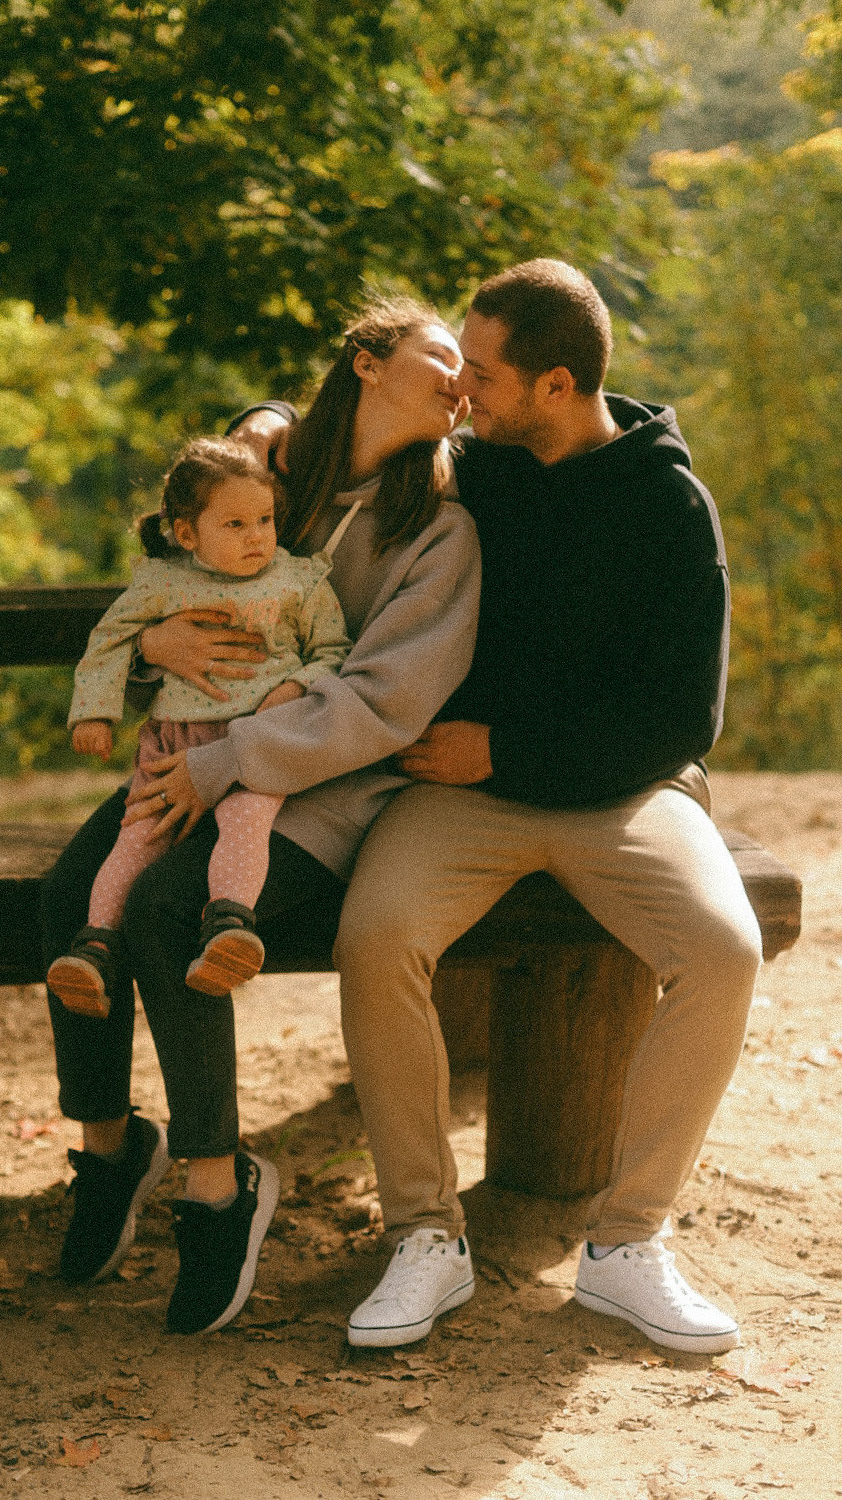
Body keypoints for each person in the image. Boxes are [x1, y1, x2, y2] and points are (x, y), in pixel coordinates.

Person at [236, 260, 761, 1355]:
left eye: (480, 371)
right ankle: (425, 1236)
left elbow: (682, 715)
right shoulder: (466, 471)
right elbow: (342, 419)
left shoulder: (667, 504)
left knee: (723, 951)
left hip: (624, 795)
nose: (459, 390)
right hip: (452, 797)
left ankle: (625, 1247)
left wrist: (505, 748)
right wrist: (263, 421)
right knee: (375, 937)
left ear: (557, 383)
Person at [41, 296, 482, 1337]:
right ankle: (110, 1154)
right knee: (70, 893)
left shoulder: (439, 528)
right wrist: (154, 648)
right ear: (367, 361)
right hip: (192, 751)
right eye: (440, 353)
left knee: (165, 907)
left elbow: (386, 701)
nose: (460, 376)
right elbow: (174, 569)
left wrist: (239, 760)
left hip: (325, 790)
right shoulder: (276, 477)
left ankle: (212, 1183)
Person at [46, 436, 351, 1014]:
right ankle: (96, 946)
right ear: (188, 535)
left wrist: (297, 685)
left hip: (257, 742)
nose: (257, 536)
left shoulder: (300, 581)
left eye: (265, 520)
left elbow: (334, 651)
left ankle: (229, 927)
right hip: (175, 741)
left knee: (244, 821)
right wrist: (94, 710)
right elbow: (109, 640)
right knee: (138, 836)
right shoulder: (162, 582)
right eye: (235, 524)